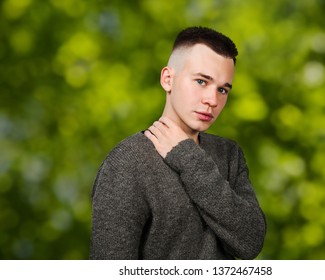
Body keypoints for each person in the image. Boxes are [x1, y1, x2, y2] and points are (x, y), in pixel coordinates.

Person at [89, 26, 266, 260]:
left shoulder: (229, 154)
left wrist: (186, 156)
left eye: (222, 89)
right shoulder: (127, 162)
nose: (212, 100)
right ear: (168, 79)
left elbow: (251, 242)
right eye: (202, 82)